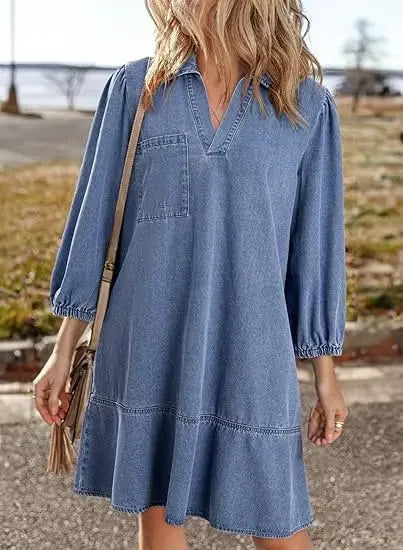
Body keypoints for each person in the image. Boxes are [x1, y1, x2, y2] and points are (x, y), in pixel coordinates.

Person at [32, 1, 349, 549]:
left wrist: (325, 372)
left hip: (253, 348)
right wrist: (63, 351)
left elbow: (315, 247)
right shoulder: (136, 89)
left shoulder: (305, 106)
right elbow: (94, 222)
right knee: (157, 512)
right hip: (149, 340)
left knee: (278, 514)